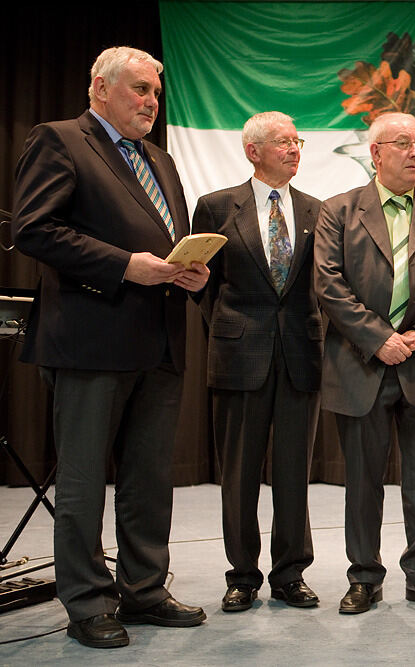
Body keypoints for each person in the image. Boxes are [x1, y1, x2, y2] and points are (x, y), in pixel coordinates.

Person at [10, 46, 209, 649]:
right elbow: (34, 229)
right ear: (100, 88)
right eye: (139, 90)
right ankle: (89, 601)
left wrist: (185, 272)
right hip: (90, 341)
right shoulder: (60, 140)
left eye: (155, 93)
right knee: (81, 482)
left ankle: (144, 590)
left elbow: (165, 239)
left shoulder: (161, 160)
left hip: (159, 341)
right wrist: (126, 266)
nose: (150, 102)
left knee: (149, 478)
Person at [314, 112, 415, 614]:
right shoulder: (338, 211)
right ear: (375, 153)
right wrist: (379, 338)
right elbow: (328, 283)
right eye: (402, 144)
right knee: (362, 482)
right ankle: (364, 576)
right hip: (360, 364)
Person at [191, 112, 322, 613]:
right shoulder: (217, 206)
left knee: (294, 471)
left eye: (297, 141)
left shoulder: (316, 210)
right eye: (283, 142)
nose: (294, 150)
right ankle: (242, 575)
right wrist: (234, 328)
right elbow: (201, 284)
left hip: (300, 354)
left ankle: (291, 574)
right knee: (239, 473)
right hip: (238, 354)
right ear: (253, 151)